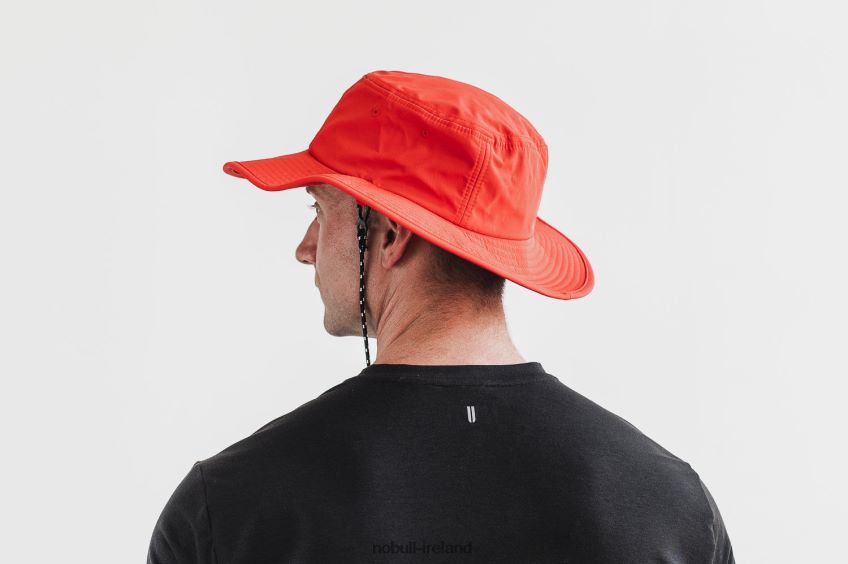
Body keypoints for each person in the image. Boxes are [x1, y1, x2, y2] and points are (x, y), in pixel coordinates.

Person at [147, 70, 735, 563]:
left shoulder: (232, 506)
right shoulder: (672, 506)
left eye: (319, 211)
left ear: (390, 235)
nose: (305, 248)